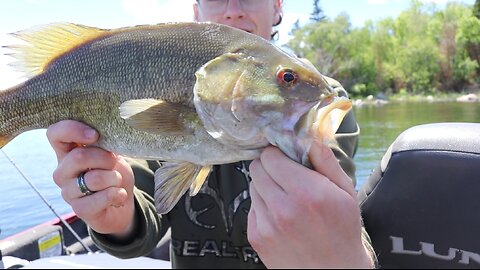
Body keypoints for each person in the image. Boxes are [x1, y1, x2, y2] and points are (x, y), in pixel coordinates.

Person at [47, 0, 375, 268]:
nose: (233, 9)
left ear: (277, 7)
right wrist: (112, 213)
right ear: (196, 11)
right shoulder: (168, 74)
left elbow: (334, 217)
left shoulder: (314, 100)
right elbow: (146, 211)